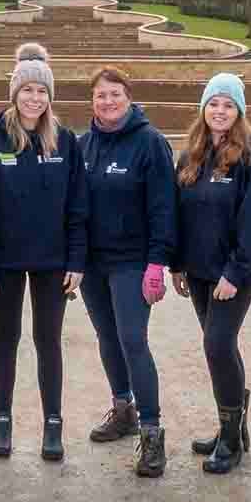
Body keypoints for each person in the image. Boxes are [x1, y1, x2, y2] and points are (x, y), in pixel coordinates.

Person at [0, 44, 88, 461]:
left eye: (42, 91)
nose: (34, 98)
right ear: (14, 92)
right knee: (5, 340)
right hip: (3, 262)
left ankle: (52, 424)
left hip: (52, 261)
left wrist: (77, 259)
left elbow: (78, 206)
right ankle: (2, 422)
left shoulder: (65, 142)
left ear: (49, 96)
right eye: (27, 90)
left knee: (48, 341)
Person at [171, 73, 251, 475]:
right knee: (221, 350)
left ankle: (231, 441)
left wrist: (235, 272)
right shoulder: (191, 157)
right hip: (197, 271)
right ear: (203, 109)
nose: (220, 111)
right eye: (214, 103)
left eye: (228, 105)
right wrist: (177, 263)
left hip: (233, 274)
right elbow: (181, 215)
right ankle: (232, 427)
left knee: (217, 345)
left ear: (239, 112)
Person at [78, 66, 177, 478]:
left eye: (115, 94)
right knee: (107, 337)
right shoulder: (82, 145)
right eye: (101, 95)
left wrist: (158, 261)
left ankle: (152, 432)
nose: (108, 101)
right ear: (92, 101)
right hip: (93, 263)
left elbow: (163, 207)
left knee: (132, 339)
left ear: (129, 97)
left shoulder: (150, 144)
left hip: (132, 261)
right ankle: (124, 409)